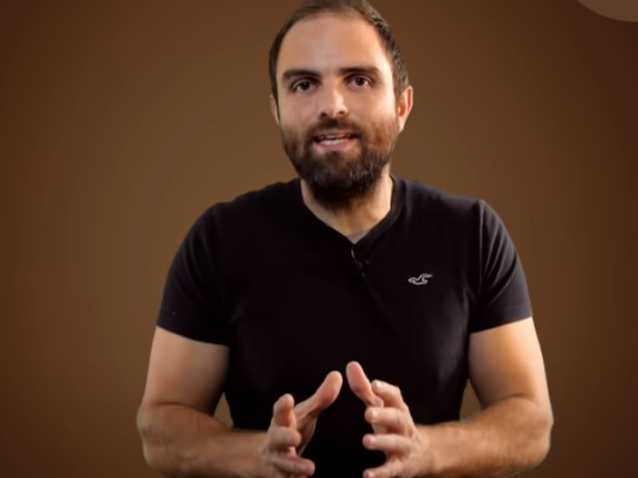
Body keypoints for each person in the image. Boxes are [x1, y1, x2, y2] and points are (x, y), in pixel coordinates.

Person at [136, 1, 554, 477]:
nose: (331, 106)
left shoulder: (471, 233)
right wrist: (256, 455)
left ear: (402, 105)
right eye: (303, 84)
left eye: (358, 80)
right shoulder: (220, 240)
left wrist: (430, 450)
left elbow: (530, 421)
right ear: (277, 110)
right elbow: (161, 426)